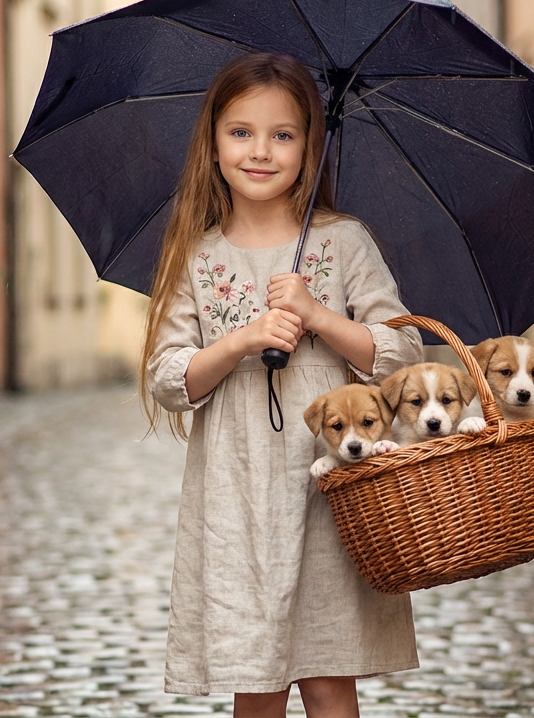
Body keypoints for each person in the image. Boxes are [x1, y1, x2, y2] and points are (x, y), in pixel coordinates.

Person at [140, 52, 423, 718]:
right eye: (241, 132)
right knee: (257, 676)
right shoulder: (198, 254)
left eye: (283, 135)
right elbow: (168, 377)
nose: (260, 151)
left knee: (328, 674)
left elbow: (401, 354)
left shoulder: (345, 243)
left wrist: (319, 315)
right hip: (237, 491)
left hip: (333, 489)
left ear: (310, 146)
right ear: (212, 144)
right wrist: (241, 338)